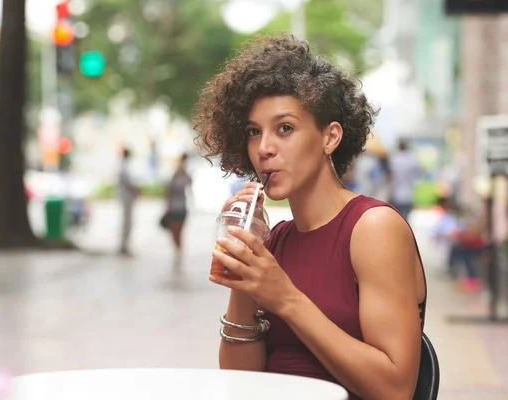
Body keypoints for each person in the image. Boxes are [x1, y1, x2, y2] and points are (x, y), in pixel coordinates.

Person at [193, 34, 427, 400]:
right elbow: (240, 382)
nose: (264, 148)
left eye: (284, 128)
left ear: (330, 137)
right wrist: (243, 275)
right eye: (254, 132)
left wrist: (285, 298)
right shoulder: (276, 240)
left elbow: (395, 389)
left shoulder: (373, 227)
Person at [162, 153, 192, 268]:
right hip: (176, 207)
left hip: (179, 207)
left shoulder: (183, 175)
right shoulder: (176, 175)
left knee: (178, 231)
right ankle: (178, 250)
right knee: (175, 231)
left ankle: (178, 251)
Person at [388, 139, 422, 221]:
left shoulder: (393, 158)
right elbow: (418, 174)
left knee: (396, 219)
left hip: (395, 194)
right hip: (408, 195)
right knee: (406, 220)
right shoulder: (411, 159)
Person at [118, 148, 139, 256]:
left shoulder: (124, 166)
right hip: (126, 198)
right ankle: (124, 246)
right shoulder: (124, 167)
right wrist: (136, 190)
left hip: (127, 198)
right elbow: (128, 183)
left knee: (128, 223)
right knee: (127, 223)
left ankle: (124, 245)